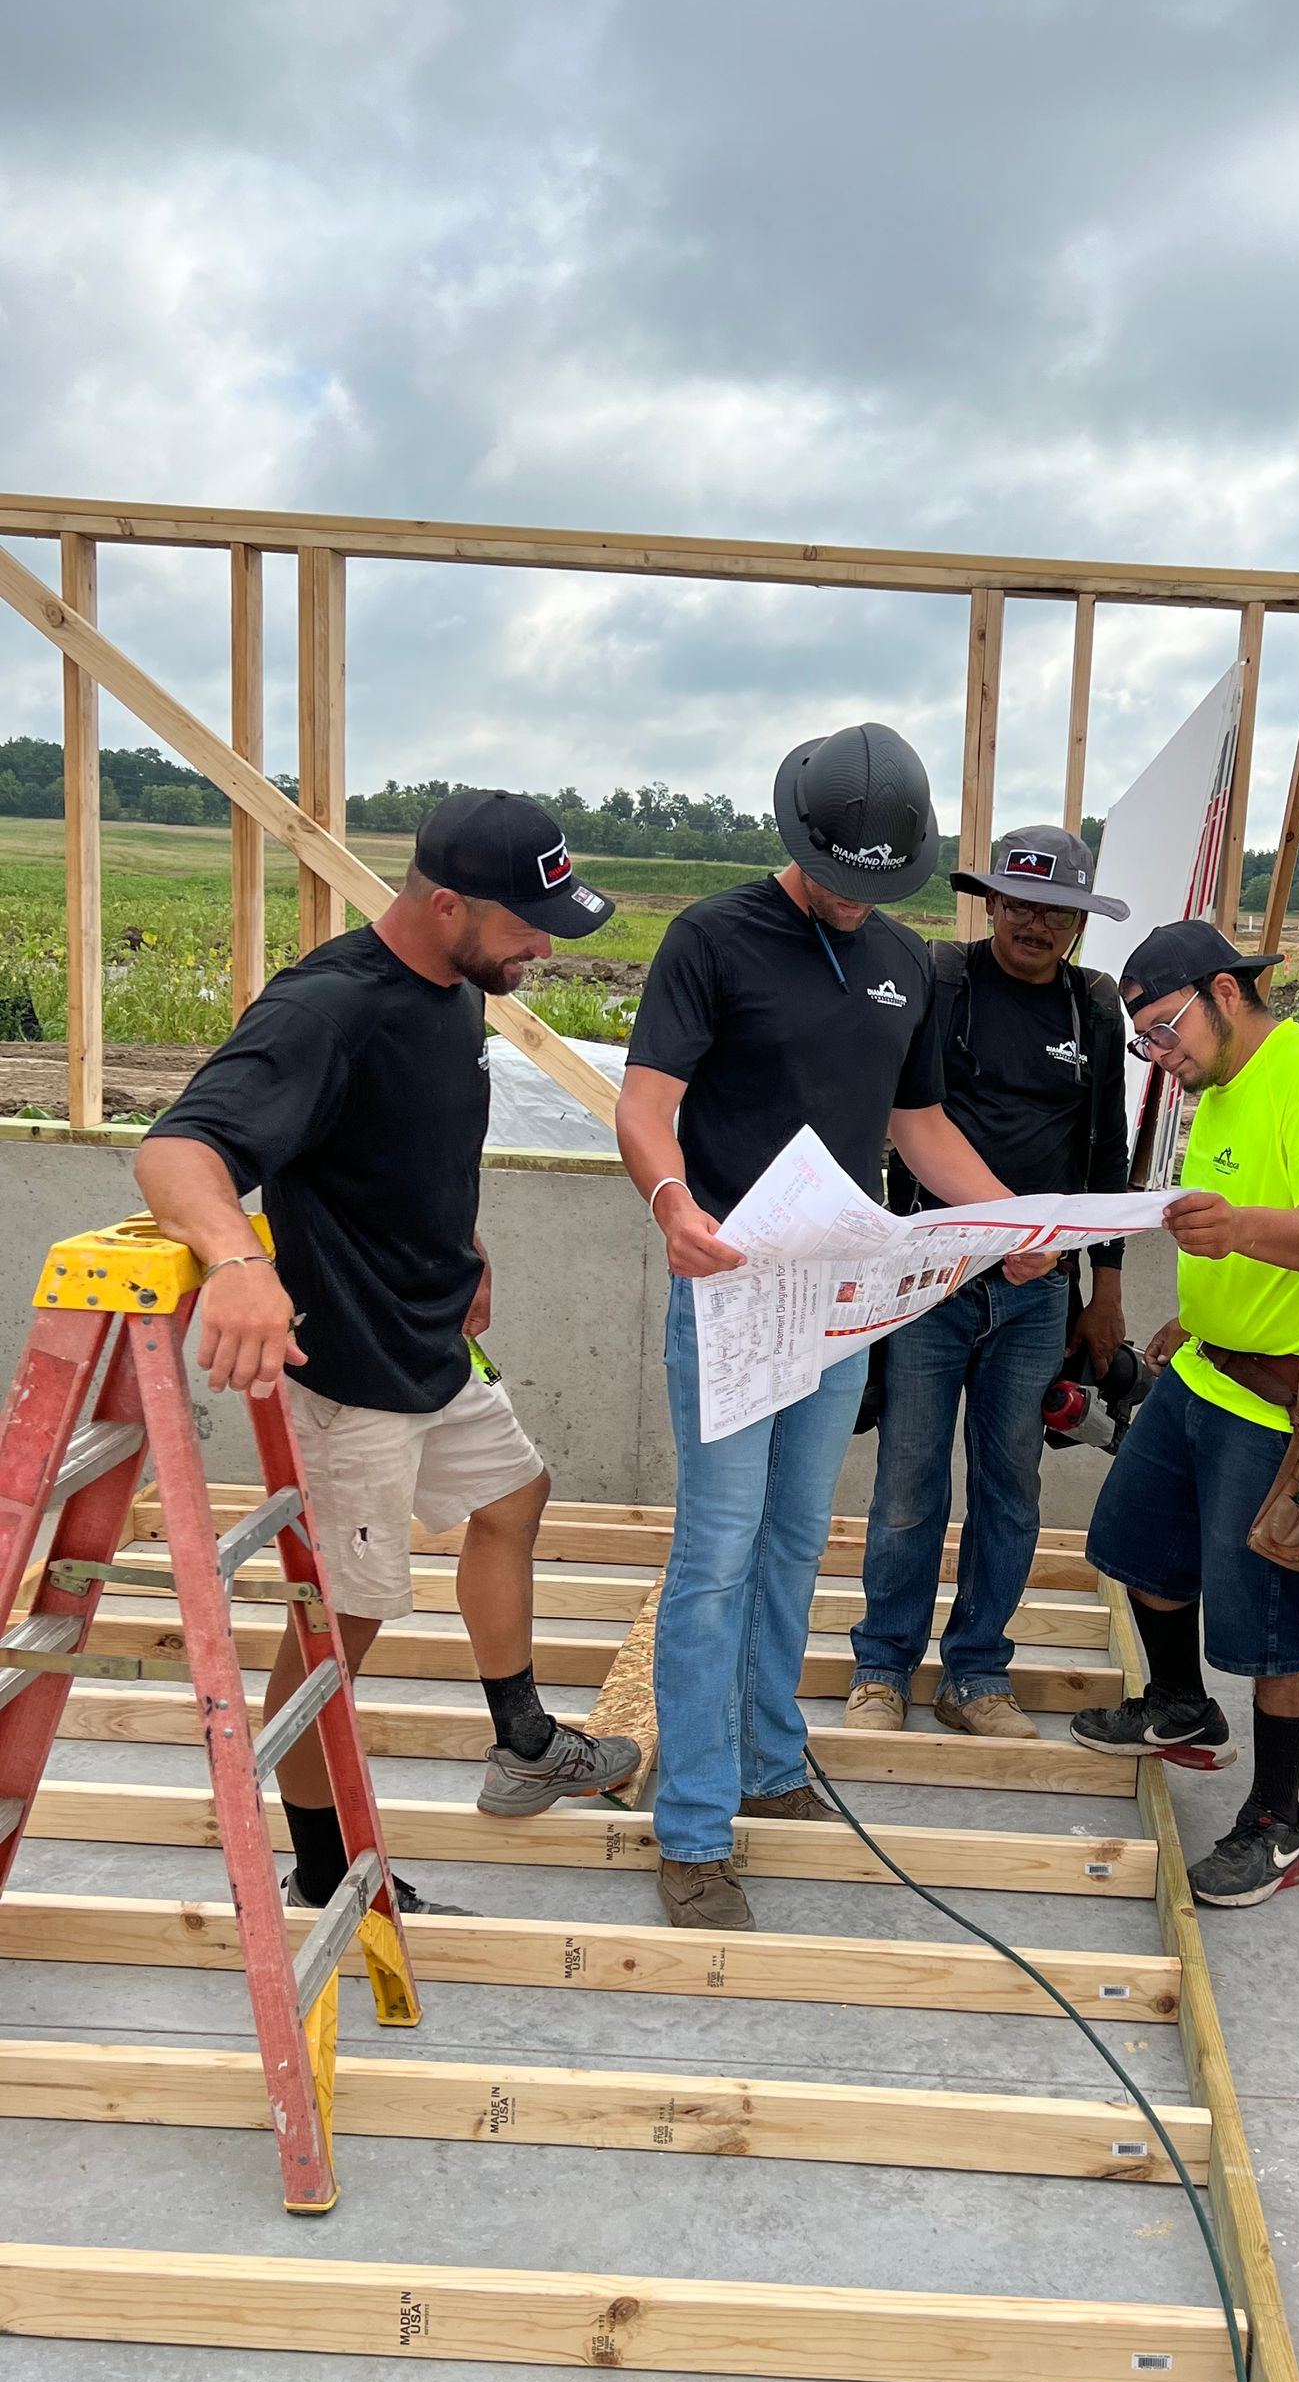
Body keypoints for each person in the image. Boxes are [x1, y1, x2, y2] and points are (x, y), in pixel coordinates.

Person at [134, 790, 644, 1915]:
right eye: (529, 923)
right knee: (337, 1633)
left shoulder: (459, 982)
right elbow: (178, 1149)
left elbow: (408, 1141)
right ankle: (323, 1874)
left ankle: (520, 1740)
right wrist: (235, 1262)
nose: (545, 949)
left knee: (515, 1494)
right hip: (354, 1372)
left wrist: (462, 1246)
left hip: (430, 1332)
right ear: (445, 900)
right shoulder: (327, 1010)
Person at [616, 722, 1046, 1933]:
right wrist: (672, 1203)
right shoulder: (713, 937)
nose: (859, 904)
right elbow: (647, 1104)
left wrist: (1020, 1219)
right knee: (714, 1558)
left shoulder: (904, 958)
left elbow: (917, 1129)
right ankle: (696, 1828)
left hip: (836, 1300)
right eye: (842, 880)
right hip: (734, 1290)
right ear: (799, 841)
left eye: (880, 886)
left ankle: (769, 1758)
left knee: (798, 1538)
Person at [1071, 919, 1299, 1906]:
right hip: (1209, 1371)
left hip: (1295, 1398)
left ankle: (1280, 1819)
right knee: (1137, 1545)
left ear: (1226, 990)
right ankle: (1180, 1705)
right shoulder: (1219, 1089)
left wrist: (1240, 1230)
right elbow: (1242, 1228)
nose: (1159, 1058)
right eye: (1145, 1043)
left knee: (1278, 1623)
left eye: (1166, 1030)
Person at [844, 825, 1130, 1741]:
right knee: (908, 1481)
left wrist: (1106, 1289)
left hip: (1039, 1291)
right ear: (991, 903)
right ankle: (883, 1669)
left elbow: (1107, 1153)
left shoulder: (1092, 1012)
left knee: (1010, 1484)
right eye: (1018, 903)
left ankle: (977, 1676)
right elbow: (893, 1112)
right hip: (933, 1280)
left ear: (1078, 922)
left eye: (1054, 909)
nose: (1034, 923)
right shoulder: (941, 981)